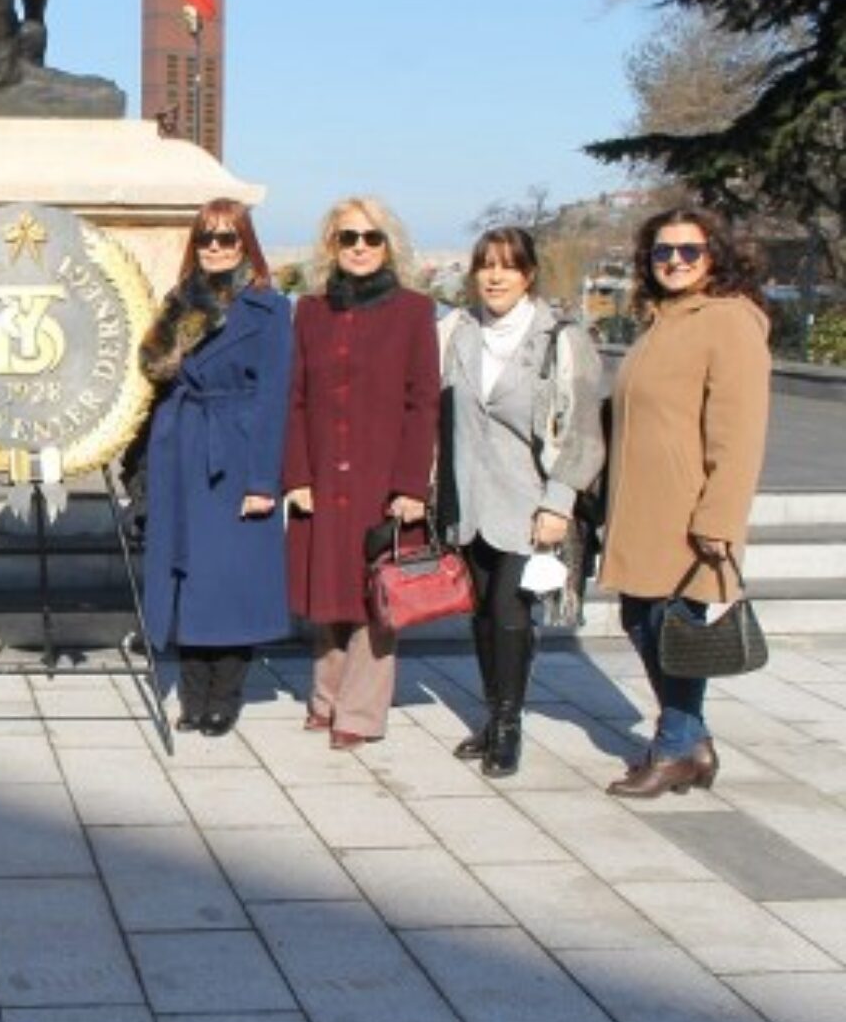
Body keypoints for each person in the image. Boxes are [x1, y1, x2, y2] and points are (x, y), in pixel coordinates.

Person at [599, 207, 770, 798]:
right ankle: (689, 742)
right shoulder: (664, 319)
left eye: (688, 251)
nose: (674, 261)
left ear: (714, 256)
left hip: (685, 512)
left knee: (674, 628)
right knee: (643, 619)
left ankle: (676, 745)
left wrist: (719, 516)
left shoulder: (727, 322)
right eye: (662, 252)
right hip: (642, 508)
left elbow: (739, 431)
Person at [438, 227, 605, 777]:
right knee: (484, 617)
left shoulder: (560, 337)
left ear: (528, 274)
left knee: (511, 615)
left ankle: (508, 725)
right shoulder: (459, 332)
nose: (494, 276)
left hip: (530, 504)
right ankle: (492, 715)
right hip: (470, 503)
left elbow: (583, 429)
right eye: (486, 265)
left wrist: (559, 503)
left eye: (507, 266)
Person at [283, 197, 440, 750]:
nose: (359, 248)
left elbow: (423, 404)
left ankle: (361, 711)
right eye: (348, 238)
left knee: (376, 597)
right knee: (326, 591)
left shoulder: (415, 311)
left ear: (388, 245)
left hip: (381, 474)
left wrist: (410, 487)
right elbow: (295, 399)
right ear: (332, 245)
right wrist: (297, 475)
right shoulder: (310, 311)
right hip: (324, 472)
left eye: (371, 238)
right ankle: (325, 699)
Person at [137, 199, 293, 738]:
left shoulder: (270, 309)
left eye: (228, 238)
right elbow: (155, 377)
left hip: (236, 450)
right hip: (182, 449)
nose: (216, 248)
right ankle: (193, 693)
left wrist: (262, 481)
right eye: (206, 238)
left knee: (232, 579)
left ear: (246, 244)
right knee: (189, 575)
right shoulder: (179, 305)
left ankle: (225, 695)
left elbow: (274, 399)